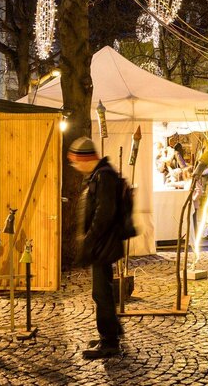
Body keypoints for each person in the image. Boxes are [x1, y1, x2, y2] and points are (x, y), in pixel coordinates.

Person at [68, 137, 125, 359]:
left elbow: (104, 212)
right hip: (104, 242)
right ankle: (113, 331)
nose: (74, 166)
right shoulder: (100, 174)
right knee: (103, 291)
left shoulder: (103, 176)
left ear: (84, 159)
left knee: (101, 293)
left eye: (75, 161)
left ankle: (109, 342)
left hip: (103, 243)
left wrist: (90, 238)